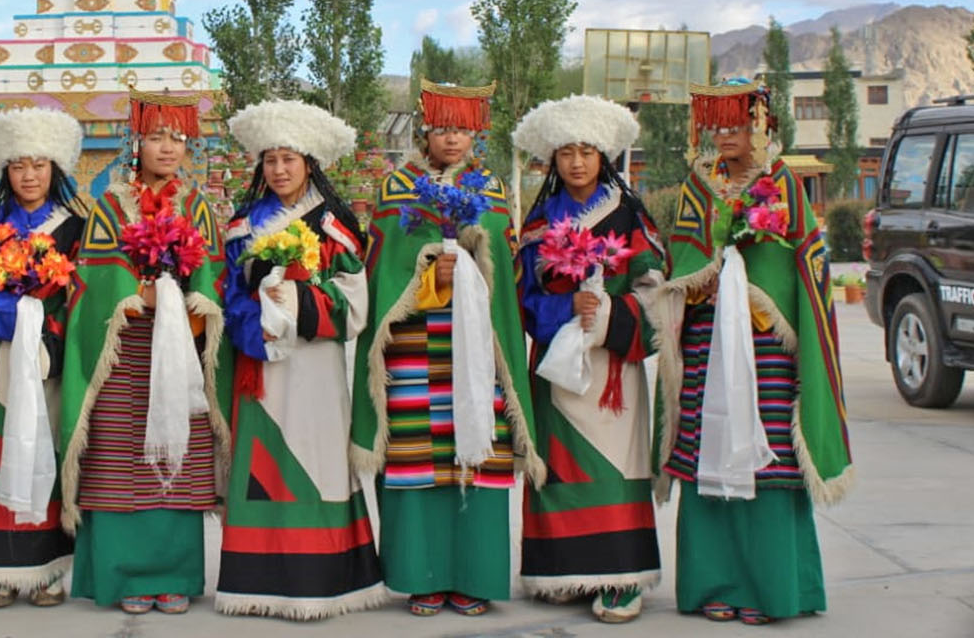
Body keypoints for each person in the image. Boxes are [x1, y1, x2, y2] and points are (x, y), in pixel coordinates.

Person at [654, 80, 852, 625]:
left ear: (762, 126)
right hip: (706, 340)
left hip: (767, 344)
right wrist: (700, 284)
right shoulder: (699, 187)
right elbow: (681, 259)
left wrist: (756, 296)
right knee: (705, 453)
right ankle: (713, 584)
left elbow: (805, 267)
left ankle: (771, 588)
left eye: (737, 125)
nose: (725, 136)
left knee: (770, 465)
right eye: (717, 125)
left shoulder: (783, 185)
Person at [350, 80, 544, 617]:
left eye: (462, 129)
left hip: (477, 348)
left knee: (479, 458)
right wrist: (427, 262)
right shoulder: (398, 187)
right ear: (425, 131)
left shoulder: (492, 189)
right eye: (442, 128)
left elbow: (507, 263)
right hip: (414, 342)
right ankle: (420, 576)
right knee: (417, 461)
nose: (452, 139)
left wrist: (476, 257)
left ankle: (475, 577)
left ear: (475, 132)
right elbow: (381, 263)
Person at [60, 89, 231, 615]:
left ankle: (174, 575)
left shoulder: (197, 204)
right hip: (124, 355)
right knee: (118, 460)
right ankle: (122, 575)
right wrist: (136, 295)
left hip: (179, 352)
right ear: (137, 142)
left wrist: (193, 297)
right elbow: (93, 274)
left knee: (179, 462)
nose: (167, 148)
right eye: (156, 137)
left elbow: (212, 273)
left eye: (177, 138)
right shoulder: (111, 204)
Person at [214, 99, 385, 619]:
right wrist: (261, 325)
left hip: (315, 367)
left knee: (317, 461)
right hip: (260, 368)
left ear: (310, 162)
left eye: (289, 158)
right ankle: (258, 583)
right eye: (270, 160)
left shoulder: (334, 227)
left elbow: (356, 304)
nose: (279, 169)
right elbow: (228, 298)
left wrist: (300, 302)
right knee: (262, 467)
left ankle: (325, 581)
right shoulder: (242, 228)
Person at [511, 95, 667, 623]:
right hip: (556, 364)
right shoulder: (538, 222)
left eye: (586, 151)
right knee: (559, 469)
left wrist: (606, 315)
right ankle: (561, 570)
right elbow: (522, 300)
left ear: (603, 156)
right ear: (551, 160)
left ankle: (622, 576)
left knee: (613, 466)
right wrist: (564, 306)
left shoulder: (628, 214)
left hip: (611, 368)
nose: (576, 162)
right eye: (565, 152)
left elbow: (654, 289)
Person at [0, 107, 86, 608]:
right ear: (4, 171)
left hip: (48, 360)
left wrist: (46, 330)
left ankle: (48, 571)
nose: (28, 176)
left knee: (44, 450)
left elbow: (83, 300)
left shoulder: (76, 227)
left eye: (38, 166)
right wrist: (2, 312)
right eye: (18, 166)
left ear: (55, 169)